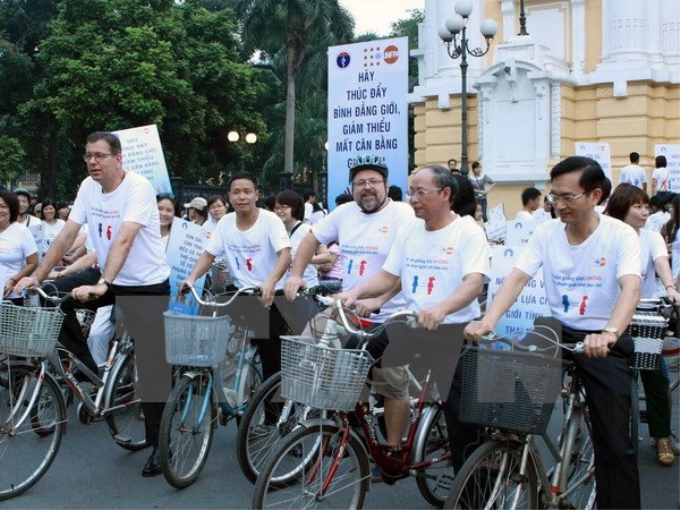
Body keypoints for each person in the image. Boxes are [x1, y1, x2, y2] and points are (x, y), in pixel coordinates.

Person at [465, 156, 641, 509]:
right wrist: (488, 319)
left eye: (568, 197)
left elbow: (630, 288)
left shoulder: (619, 234)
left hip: (602, 336)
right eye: (554, 196)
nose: (558, 205)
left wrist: (608, 333)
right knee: (512, 405)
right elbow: (517, 278)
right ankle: (512, 454)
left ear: (595, 196)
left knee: (615, 442)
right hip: (557, 330)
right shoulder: (546, 232)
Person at [16, 131, 172, 478]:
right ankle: (90, 368)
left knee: (152, 370)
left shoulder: (138, 187)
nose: (92, 162)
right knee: (55, 296)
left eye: (100, 156)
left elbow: (125, 238)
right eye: (88, 155)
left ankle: (161, 445)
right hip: (107, 276)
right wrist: (39, 276)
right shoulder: (88, 187)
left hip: (145, 285)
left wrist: (103, 284)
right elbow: (67, 235)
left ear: (118, 159)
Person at [336, 165, 491, 481]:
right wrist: (353, 294)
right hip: (410, 324)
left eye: (421, 192)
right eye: (411, 191)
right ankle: (379, 445)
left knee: (463, 422)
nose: (413, 199)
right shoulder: (409, 231)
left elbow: (473, 282)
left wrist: (442, 308)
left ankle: (474, 493)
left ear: (445, 194)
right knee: (353, 355)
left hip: (454, 332)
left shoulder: (467, 231)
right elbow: (387, 277)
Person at [284, 155, 415, 458]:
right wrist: (294, 274)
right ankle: (342, 424)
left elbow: (406, 267)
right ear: (351, 187)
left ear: (385, 185)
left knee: (391, 382)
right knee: (308, 348)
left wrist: (378, 299)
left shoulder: (402, 215)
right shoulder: (344, 213)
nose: (366, 188)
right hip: (348, 307)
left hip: (391, 313)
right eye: (360, 183)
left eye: (373, 182)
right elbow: (310, 238)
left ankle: (392, 448)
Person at [183, 171, 291, 384]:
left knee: (271, 356)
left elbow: (285, 255)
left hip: (268, 297)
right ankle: (203, 379)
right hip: (239, 293)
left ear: (256, 194)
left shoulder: (270, 220)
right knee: (206, 317)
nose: (242, 197)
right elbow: (208, 254)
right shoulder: (225, 223)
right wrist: (191, 278)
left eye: (247, 192)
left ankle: (272, 414)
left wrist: (270, 282)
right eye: (236, 192)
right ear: (229, 197)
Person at [605, 183, 679, 465]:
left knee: (656, 375)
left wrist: (670, 287)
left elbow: (661, 263)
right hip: (610, 318)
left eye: (646, 206)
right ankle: (607, 434)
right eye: (637, 206)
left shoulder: (651, 238)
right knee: (610, 378)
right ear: (622, 207)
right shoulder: (607, 235)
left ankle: (661, 436)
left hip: (645, 315)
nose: (644, 211)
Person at [0, 190, 38, 304]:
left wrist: (13, 281)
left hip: (10, 295)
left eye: (3, 206)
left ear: (11, 209)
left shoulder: (22, 231)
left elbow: (33, 263)